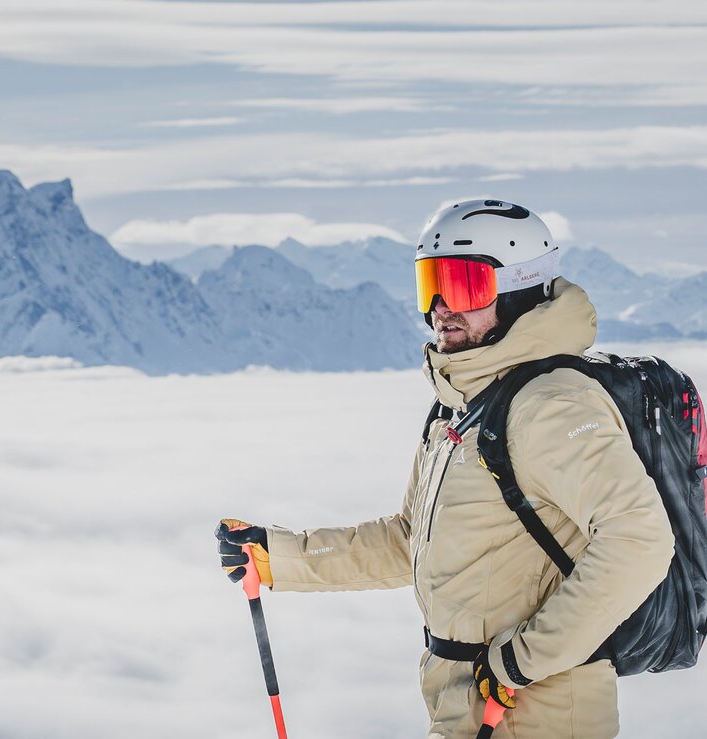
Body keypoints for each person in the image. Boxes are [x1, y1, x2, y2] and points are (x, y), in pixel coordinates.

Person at [216, 199, 674, 738]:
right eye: (429, 283)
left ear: (520, 291)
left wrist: (522, 661)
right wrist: (282, 559)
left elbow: (639, 539)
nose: (440, 307)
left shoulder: (550, 404)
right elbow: (413, 541)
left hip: (538, 715)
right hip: (471, 706)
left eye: (463, 284)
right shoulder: (462, 405)